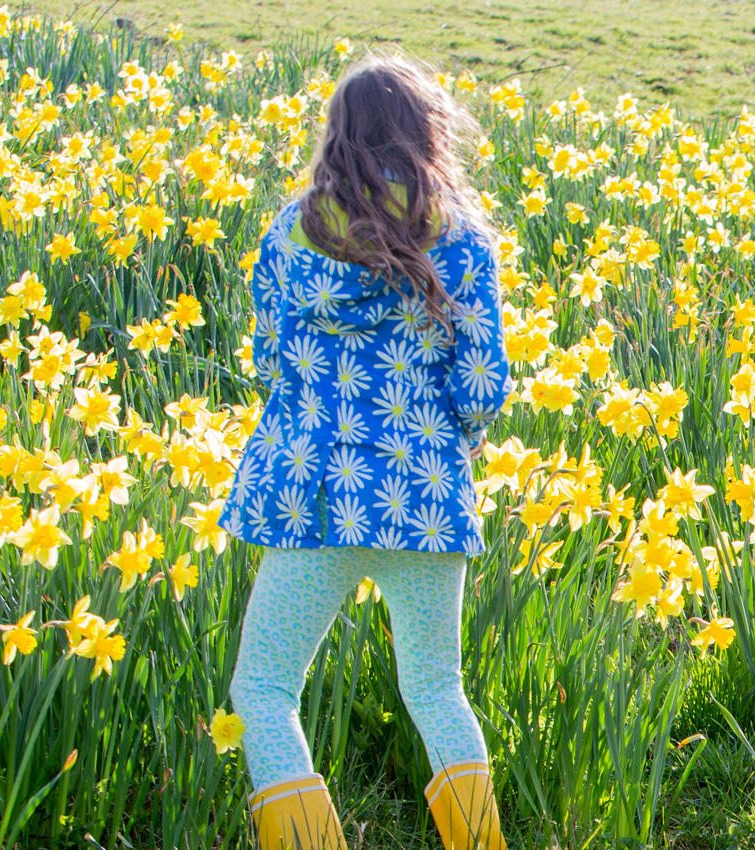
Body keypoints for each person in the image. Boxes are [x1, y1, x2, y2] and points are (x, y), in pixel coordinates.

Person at [223, 54, 512, 850]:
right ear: (428, 135)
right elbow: (483, 385)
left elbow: (266, 358)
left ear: (338, 135)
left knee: (265, 692)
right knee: (436, 689)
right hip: (424, 497)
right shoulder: (461, 238)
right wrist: (454, 435)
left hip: (314, 496)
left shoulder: (290, 233)